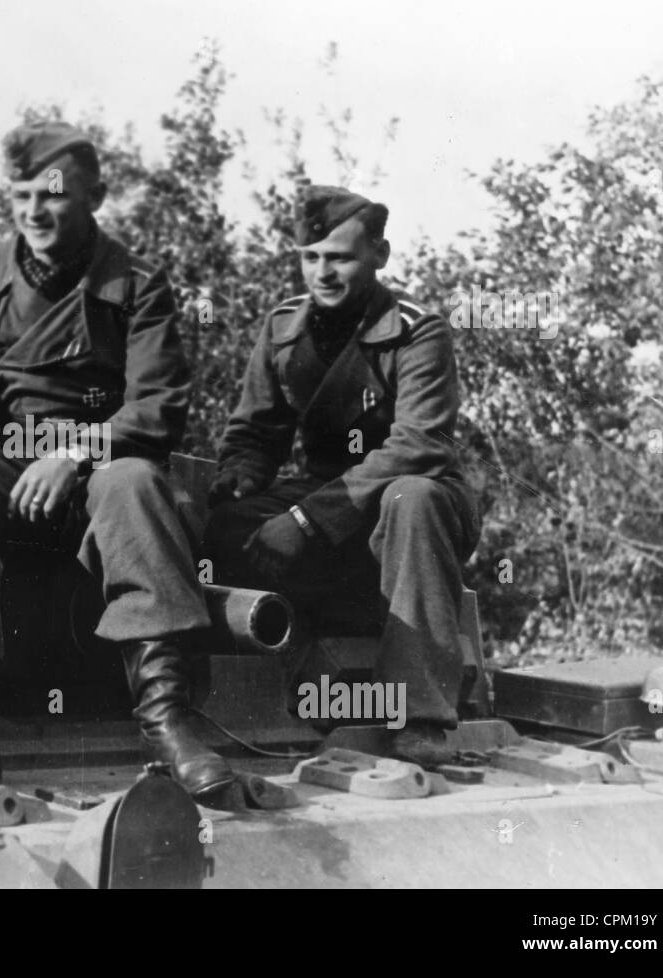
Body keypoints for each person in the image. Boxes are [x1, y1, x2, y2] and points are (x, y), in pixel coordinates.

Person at [0, 122, 235, 798]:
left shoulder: (137, 284)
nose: (34, 212)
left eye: (52, 195)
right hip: (8, 466)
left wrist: (75, 452)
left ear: (94, 197)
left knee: (135, 483)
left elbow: (156, 405)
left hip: (103, 463)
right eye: (21, 196)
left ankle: (166, 719)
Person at [203, 186, 481, 765]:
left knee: (411, 498)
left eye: (339, 258)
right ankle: (309, 662)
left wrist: (305, 521)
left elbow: (419, 445)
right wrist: (241, 475)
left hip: (412, 496)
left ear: (379, 254)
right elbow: (256, 431)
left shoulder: (416, 330)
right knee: (224, 524)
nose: (322, 273)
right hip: (329, 496)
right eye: (310, 257)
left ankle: (420, 714)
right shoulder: (285, 327)